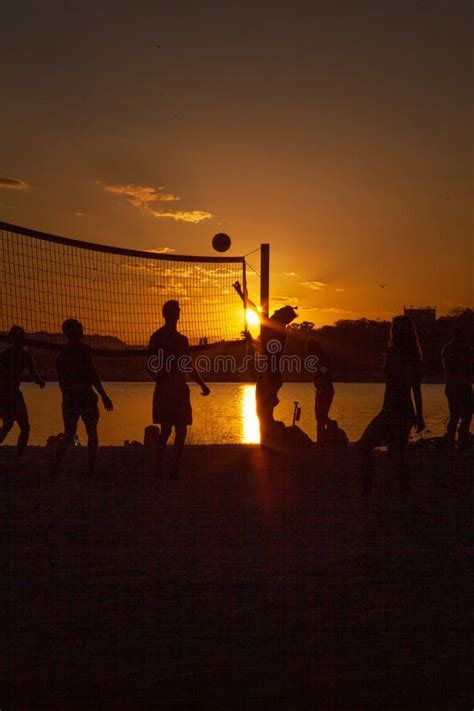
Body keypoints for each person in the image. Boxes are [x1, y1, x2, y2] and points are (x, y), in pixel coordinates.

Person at [355, 315, 425, 494]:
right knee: (396, 454)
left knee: (367, 447)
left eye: (396, 327)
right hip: (398, 410)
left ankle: (367, 488)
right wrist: (418, 415)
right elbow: (415, 389)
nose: (394, 330)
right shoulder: (410, 355)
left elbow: (413, 388)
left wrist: (420, 415)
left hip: (395, 410)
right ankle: (402, 489)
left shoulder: (400, 354)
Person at [147, 300, 210, 479]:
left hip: (178, 389)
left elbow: (188, 365)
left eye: (178, 310)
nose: (178, 313)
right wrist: (158, 378)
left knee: (181, 431)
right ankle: (161, 469)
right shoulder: (158, 337)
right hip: (167, 389)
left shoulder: (181, 339)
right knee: (167, 430)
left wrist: (202, 383)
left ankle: (173, 468)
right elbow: (149, 365)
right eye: (176, 310)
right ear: (167, 314)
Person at [233, 281, 297, 444]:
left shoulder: (278, 330)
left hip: (271, 376)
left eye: (279, 311)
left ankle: (273, 438)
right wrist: (242, 294)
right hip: (270, 376)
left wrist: (251, 340)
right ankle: (269, 439)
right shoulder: (274, 327)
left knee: (263, 411)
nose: (275, 310)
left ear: (283, 317)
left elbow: (266, 347)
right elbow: (254, 309)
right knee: (262, 411)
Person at [55, 319, 113, 475]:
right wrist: (104, 395)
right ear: (74, 332)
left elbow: (63, 382)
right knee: (88, 432)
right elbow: (93, 375)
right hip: (83, 397)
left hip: (72, 398)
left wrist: (68, 397)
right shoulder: (81, 352)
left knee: (70, 433)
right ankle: (90, 469)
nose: (82, 329)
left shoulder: (63, 354)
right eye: (79, 327)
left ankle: (57, 467)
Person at [0, 325, 45, 457]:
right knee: (22, 427)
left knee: (12, 425)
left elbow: (33, 372)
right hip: (8, 393)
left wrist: (39, 381)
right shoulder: (17, 355)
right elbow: (33, 373)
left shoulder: (16, 355)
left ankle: (19, 455)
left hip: (7, 393)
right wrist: (39, 382)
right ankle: (19, 455)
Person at [441, 325, 472, 450]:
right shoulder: (465, 349)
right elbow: (468, 369)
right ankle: (462, 440)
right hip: (463, 386)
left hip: (451, 386)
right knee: (467, 415)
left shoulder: (447, 349)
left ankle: (451, 440)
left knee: (454, 415)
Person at [307, 337, 336, 445]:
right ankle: (322, 439)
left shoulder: (322, 360)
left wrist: (321, 389)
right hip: (323, 390)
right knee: (321, 416)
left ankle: (321, 439)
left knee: (320, 417)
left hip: (324, 391)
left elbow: (323, 376)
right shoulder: (321, 359)